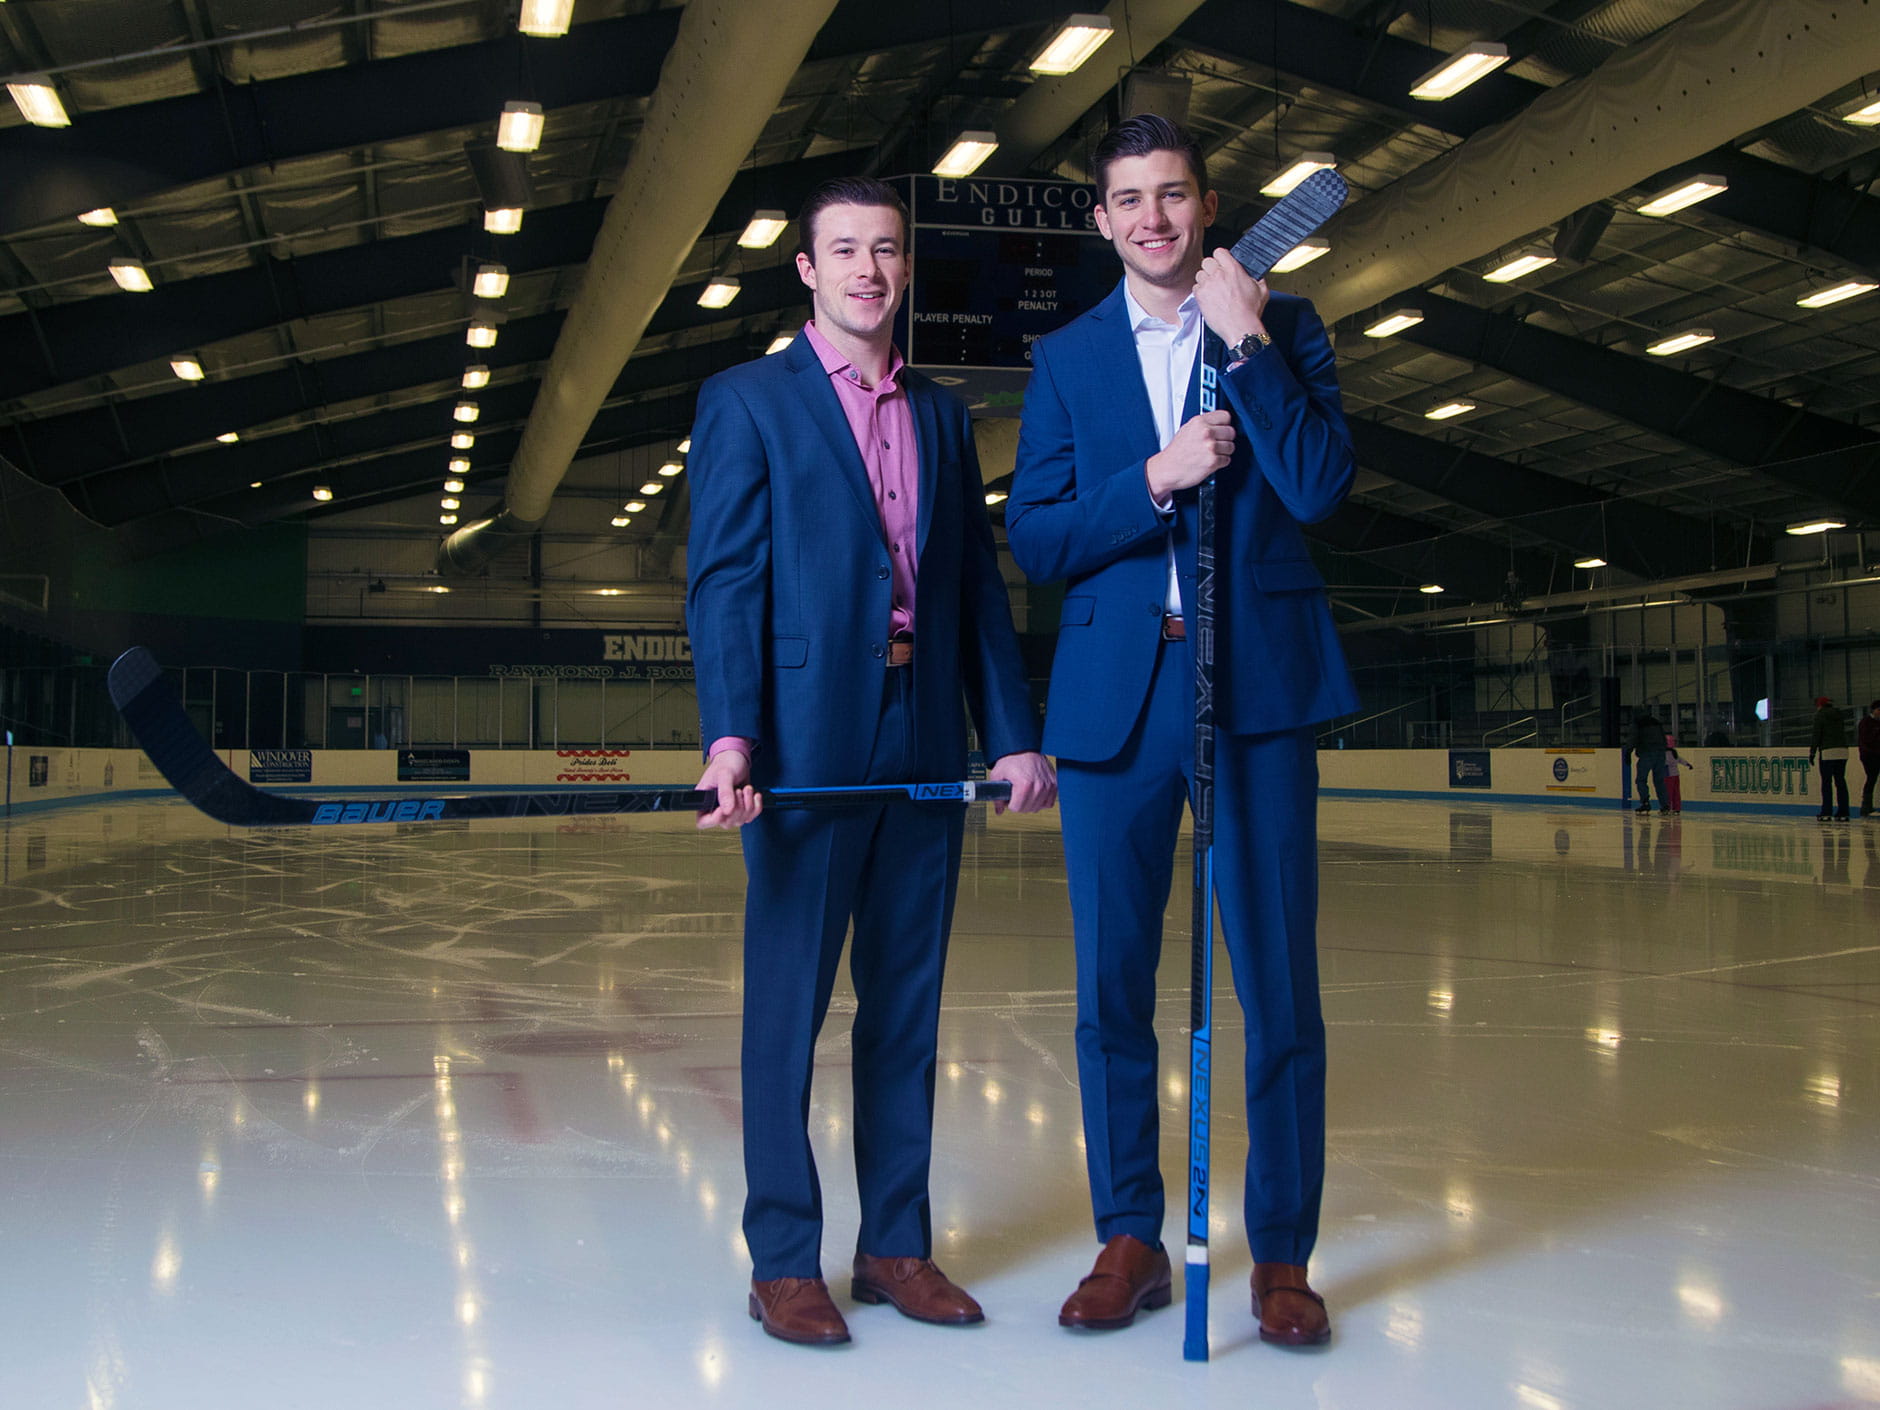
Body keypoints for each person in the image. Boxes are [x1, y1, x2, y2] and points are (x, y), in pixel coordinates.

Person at [686, 176, 1057, 1347]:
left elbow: (971, 594)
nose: (865, 269)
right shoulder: (748, 401)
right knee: (786, 1011)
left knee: (904, 1009)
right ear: (805, 267)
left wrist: (1008, 731)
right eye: (842, 249)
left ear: (904, 269)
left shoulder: (944, 417)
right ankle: (782, 1258)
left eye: (885, 250)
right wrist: (732, 735)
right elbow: (726, 582)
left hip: (921, 741)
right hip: (803, 745)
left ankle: (895, 1243)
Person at [1007, 114, 1357, 1349]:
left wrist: (1247, 343)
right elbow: (1036, 539)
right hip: (1117, 701)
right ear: (1100, 221)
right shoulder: (1067, 360)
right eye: (1128, 200)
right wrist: (1152, 477)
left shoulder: (1286, 327)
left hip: (1258, 691)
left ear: (1206, 209)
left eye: (1173, 195)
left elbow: (1317, 487)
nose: (1152, 217)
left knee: (1277, 987)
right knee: (1110, 990)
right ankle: (1127, 1237)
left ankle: (1281, 1260)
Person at [1808, 695, 1851, 822]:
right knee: (1841, 782)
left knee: (1827, 783)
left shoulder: (1820, 715)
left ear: (1819, 705)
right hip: (1842, 751)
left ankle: (1826, 812)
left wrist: (1812, 752)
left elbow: (1817, 734)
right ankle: (1843, 812)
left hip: (1828, 751)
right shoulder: (1839, 714)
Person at [1632, 711, 1670, 816]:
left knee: (1641, 779)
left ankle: (1645, 802)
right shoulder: (1656, 722)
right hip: (1660, 754)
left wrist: (1628, 751)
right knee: (1659, 781)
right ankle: (1665, 805)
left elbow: (1633, 739)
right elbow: (1663, 738)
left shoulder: (1638, 723)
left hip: (1647, 753)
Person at [1859, 701, 1880, 819]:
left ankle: (1867, 807)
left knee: (1872, 779)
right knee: (1871, 778)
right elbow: (1865, 739)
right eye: (1879, 710)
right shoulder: (1866, 722)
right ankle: (1866, 807)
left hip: (1876, 754)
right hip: (1869, 756)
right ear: (1873, 710)